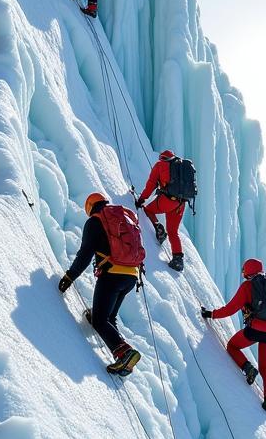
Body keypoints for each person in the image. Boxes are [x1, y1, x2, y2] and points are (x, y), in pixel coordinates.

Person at [58, 192, 143, 376]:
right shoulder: (122, 219)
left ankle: (125, 353)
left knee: (99, 319)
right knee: (109, 318)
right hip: (131, 276)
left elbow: (85, 254)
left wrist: (70, 276)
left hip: (112, 274)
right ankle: (124, 360)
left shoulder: (95, 221)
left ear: (89, 207)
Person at [201, 258, 266, 413]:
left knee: (232, 346)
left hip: (256, 329)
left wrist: (211, 314)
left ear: (247, 271)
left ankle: (248, 368)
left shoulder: (248, 286)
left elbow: (230, 309)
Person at [135, 149, 190, 271]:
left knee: (148, 210)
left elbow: (150, 185)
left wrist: (141, 200)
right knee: (173, 231)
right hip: (181, 203)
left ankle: (158, 228)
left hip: (167, 201)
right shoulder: (180, 167)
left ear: (162, 158)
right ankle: (178, 260)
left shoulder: (160, 165)